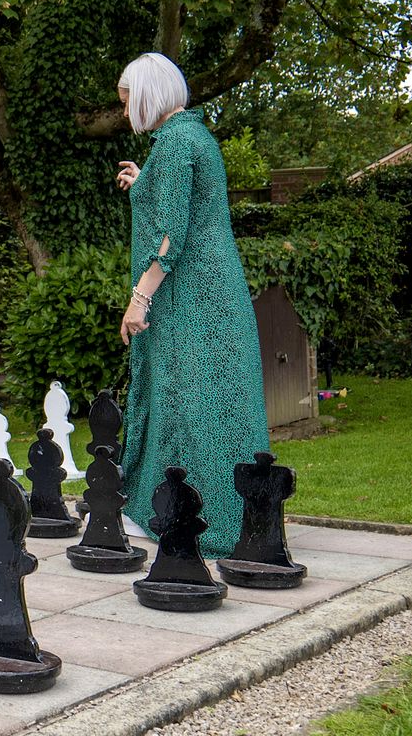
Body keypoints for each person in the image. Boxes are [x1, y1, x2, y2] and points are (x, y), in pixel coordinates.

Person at [114, 52, 269, 557]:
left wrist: (140, 298)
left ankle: (180, 517)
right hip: (213, 291)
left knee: (184, 400)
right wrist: (146, 183)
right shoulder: (190, 136)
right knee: (210, 401)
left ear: (148, 96)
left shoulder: (178, 143)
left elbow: (172, 233)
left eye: (127, 100)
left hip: (192, 296)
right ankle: (222, 512)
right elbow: (185, 206)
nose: (125, 112)